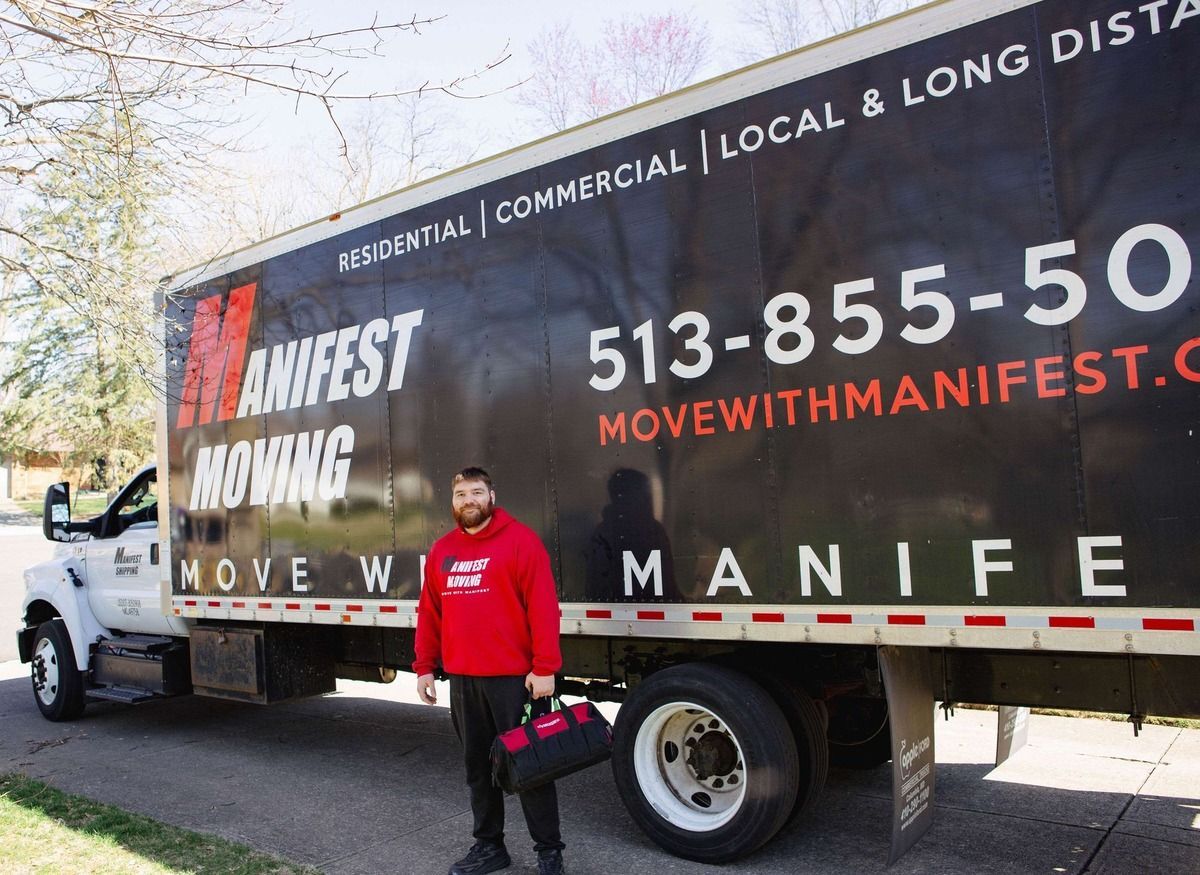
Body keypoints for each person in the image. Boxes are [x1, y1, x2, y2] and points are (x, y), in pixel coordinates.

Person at [414, 467, 566, 875]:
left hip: (515, 681)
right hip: (463, 679)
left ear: (491, 496)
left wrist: (545, 667)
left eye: (476, 492)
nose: (469, 500)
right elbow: (430, 613)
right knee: (478, 769)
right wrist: (424, 667)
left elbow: (544, 608)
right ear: (453, 501)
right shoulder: (442, 550)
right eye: (461, 494)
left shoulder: (520, 542)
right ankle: (489, 847)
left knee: (531, 766)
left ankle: (549, 852)